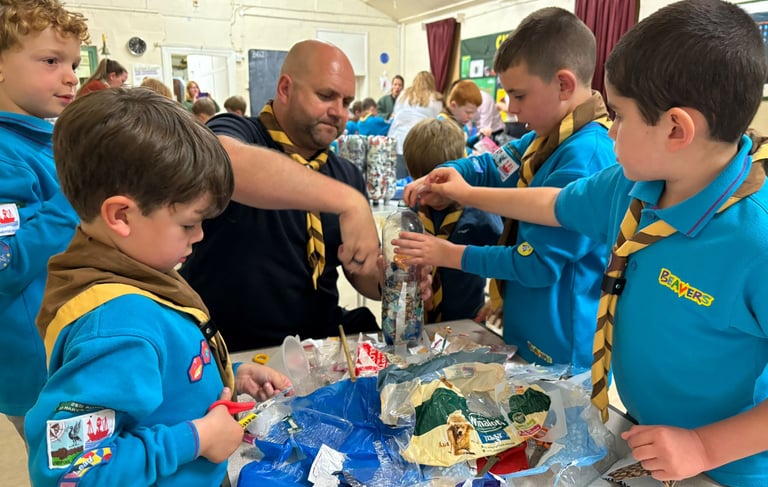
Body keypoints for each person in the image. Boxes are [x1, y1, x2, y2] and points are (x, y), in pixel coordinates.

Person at [404, 1, 768, 484]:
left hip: (722, 465)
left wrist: (704, 446)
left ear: (676, 129)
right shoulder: (631, 187)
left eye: (619, 116)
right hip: (642, 432)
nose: (610, 130)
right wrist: (466, 191)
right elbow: (552, 205)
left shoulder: (755, 242)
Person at [26, 88, 291, 486]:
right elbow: (67, 472)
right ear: (121, 215)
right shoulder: (118, 329)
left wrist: (229, 377)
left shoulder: (135, 265)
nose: (200, 235)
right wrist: (196, 438)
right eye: (187, 223)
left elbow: (154, 382)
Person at [399, 7, 615, 372]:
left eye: (518, 95)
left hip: (562, 346)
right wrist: (442, 175)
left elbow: (535, 264)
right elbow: (488, 166)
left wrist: (446, 253)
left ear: (563, 84)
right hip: (525, 326)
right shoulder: (542, 140)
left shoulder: (587, 156)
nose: (511, 109)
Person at [181, 40, 431, 351]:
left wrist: (390, 280)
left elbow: (360, 271)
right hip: (230, 347)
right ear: (285, 88)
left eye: (346, 102)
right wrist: (348, 203)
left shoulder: (345, 173)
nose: (338, 112)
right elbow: (225, 163)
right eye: (326, 96)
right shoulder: (237, 130)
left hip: (319, 345)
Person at [0, 0, 88, 440]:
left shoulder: (45, 139)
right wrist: (78, 194)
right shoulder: (4, 153)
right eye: (51, 61)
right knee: (68, 468)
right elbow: (8, 261)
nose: (71, 75)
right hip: (38, 365)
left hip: (68, 342)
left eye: (72, 62)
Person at [403, 118, 502, 323]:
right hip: (418, 320)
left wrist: (499, 298)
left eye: (437, 187)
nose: (428, 197)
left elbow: (505, 258)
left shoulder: (481, 212)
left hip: (468, 320)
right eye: (422, 187)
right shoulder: (412, 211)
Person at [387, 71, 443, 179]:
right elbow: (435, 121)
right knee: (416, 181)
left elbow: (396, 113)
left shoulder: (403, 94)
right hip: (418, 143)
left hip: (396, 139)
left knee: (398, 182)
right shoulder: (435, 98)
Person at [436, 79, 486, 150]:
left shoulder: (460, 121)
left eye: (473, 112)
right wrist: (471, 153)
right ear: (453, 105)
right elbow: (454, 150)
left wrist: (478, 137)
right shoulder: (442, 124)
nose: (471, 116)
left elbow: (465, 143)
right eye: (468, 112)